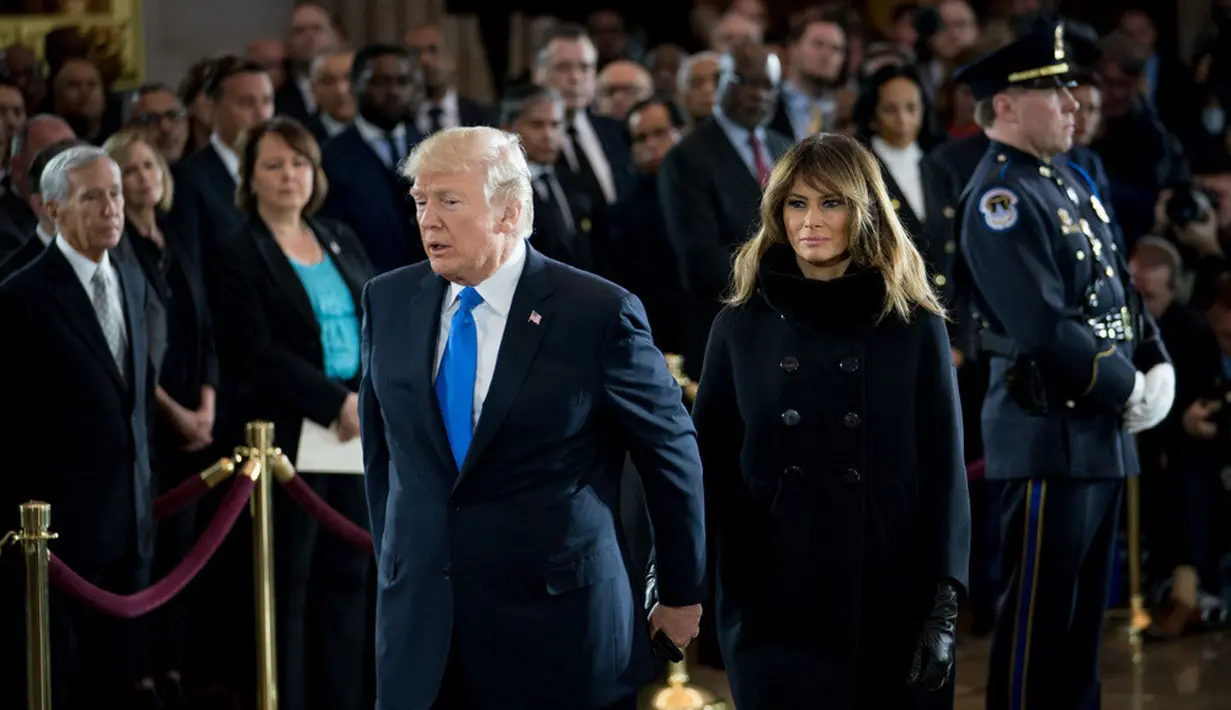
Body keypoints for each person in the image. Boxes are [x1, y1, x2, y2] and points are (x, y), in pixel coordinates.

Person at [359, 126, 706, 709]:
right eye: (421, 201)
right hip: (421, 630)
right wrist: (399, 565)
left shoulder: (597, 312)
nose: (428, 220)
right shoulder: (387, 300)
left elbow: (672, 459)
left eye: (450, 201)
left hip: (558, 630)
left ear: (509, 212)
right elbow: (382, 458)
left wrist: (678, 593)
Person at [689, 132, 968, 709]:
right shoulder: (739, 327)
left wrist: (944, 604)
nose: (811, 220)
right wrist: (673, 574)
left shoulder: (913, 326)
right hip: (769, 595)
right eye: (797, 203)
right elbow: (705, 466)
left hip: (890, 595)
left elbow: (945, 471)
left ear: (863, 212)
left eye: (830, 202)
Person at [954, 24, 1175, 710]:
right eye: (1053, 93)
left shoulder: (1067, 181)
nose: (1074, 104)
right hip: (1046, 426)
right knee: (1037, 625)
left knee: (1082, 628)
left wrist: (1156, 360)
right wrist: (1124, 383)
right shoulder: (1000, 198)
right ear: (1006, 108)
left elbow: (1119, 288)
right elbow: (1041, 323)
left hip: (1095, 430)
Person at [206, 117, 373, 710]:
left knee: (351, 581)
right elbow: (254, 351)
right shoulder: (235, 250)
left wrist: (366, 399)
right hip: (284, 439)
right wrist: (336, 402)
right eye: (273, 165)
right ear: (250, 177)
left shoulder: (338, 237)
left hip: (354, 435)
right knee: (291, 588)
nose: (288, 176)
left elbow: (372, 323)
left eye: (299, 162)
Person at [0, 145, 154, 710]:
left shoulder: (131, 280)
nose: (112, 207)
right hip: (59, 540)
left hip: (130, 529)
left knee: (116, 682)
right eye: (93, 197)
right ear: (53, 211)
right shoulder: (21, 297)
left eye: (115, 193)